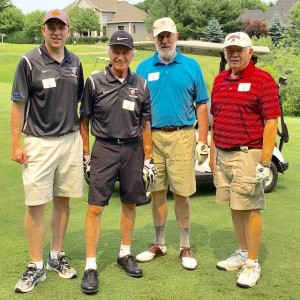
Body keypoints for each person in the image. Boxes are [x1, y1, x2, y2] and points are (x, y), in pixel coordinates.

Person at [11, 9, 84, 293]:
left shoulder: (75, 62)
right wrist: (15, 144)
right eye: (51, 27)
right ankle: (35, 265)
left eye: (61, 27)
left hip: (69, 141)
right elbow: (18, 106)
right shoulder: (28, 61)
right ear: (43, 30)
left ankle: (56, 255)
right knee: (36, 204)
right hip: (39, 142)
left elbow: (77, 101)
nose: (56, 32)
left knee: (63, 199)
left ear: (68, 30)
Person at [79, 30, 154, 295]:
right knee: (95, 208)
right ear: (109, 52)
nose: (120, 56)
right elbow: (84, 119)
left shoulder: (141, 84)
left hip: (133, 150)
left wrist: (149, 157)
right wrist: (86, 154)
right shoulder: (95, 81)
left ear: (132, 54)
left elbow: (146, 123)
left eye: (125, 52)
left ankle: (125, 253)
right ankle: (90, 265)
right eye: (116, 51)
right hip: (105, 149)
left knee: (129, 202)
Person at [135, 17, 209, 270]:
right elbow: (137, 108)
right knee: (156, 192)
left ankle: (185, 245)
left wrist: (203, 139)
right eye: (159, 37)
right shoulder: (144, 68)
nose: (164, 40)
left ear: (176, 36)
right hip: (152, 137)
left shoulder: (191, 66)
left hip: (182, 135)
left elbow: (201, 103)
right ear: (154, 39)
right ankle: (159, 243)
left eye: (168, 35)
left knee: (181, 193)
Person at [209, 32, 281, 288]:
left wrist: (264, 161)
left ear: (250, 52)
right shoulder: (220, 80)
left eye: (239, 50)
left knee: (250, 207)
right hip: (224, 153)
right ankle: (241, 253)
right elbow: (215, 118)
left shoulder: (263, 80)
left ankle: (252, 262)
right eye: (230, 51)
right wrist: (213, 151)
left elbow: (271, 121)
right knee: (234, 205)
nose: (234, 54)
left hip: (248, 154)